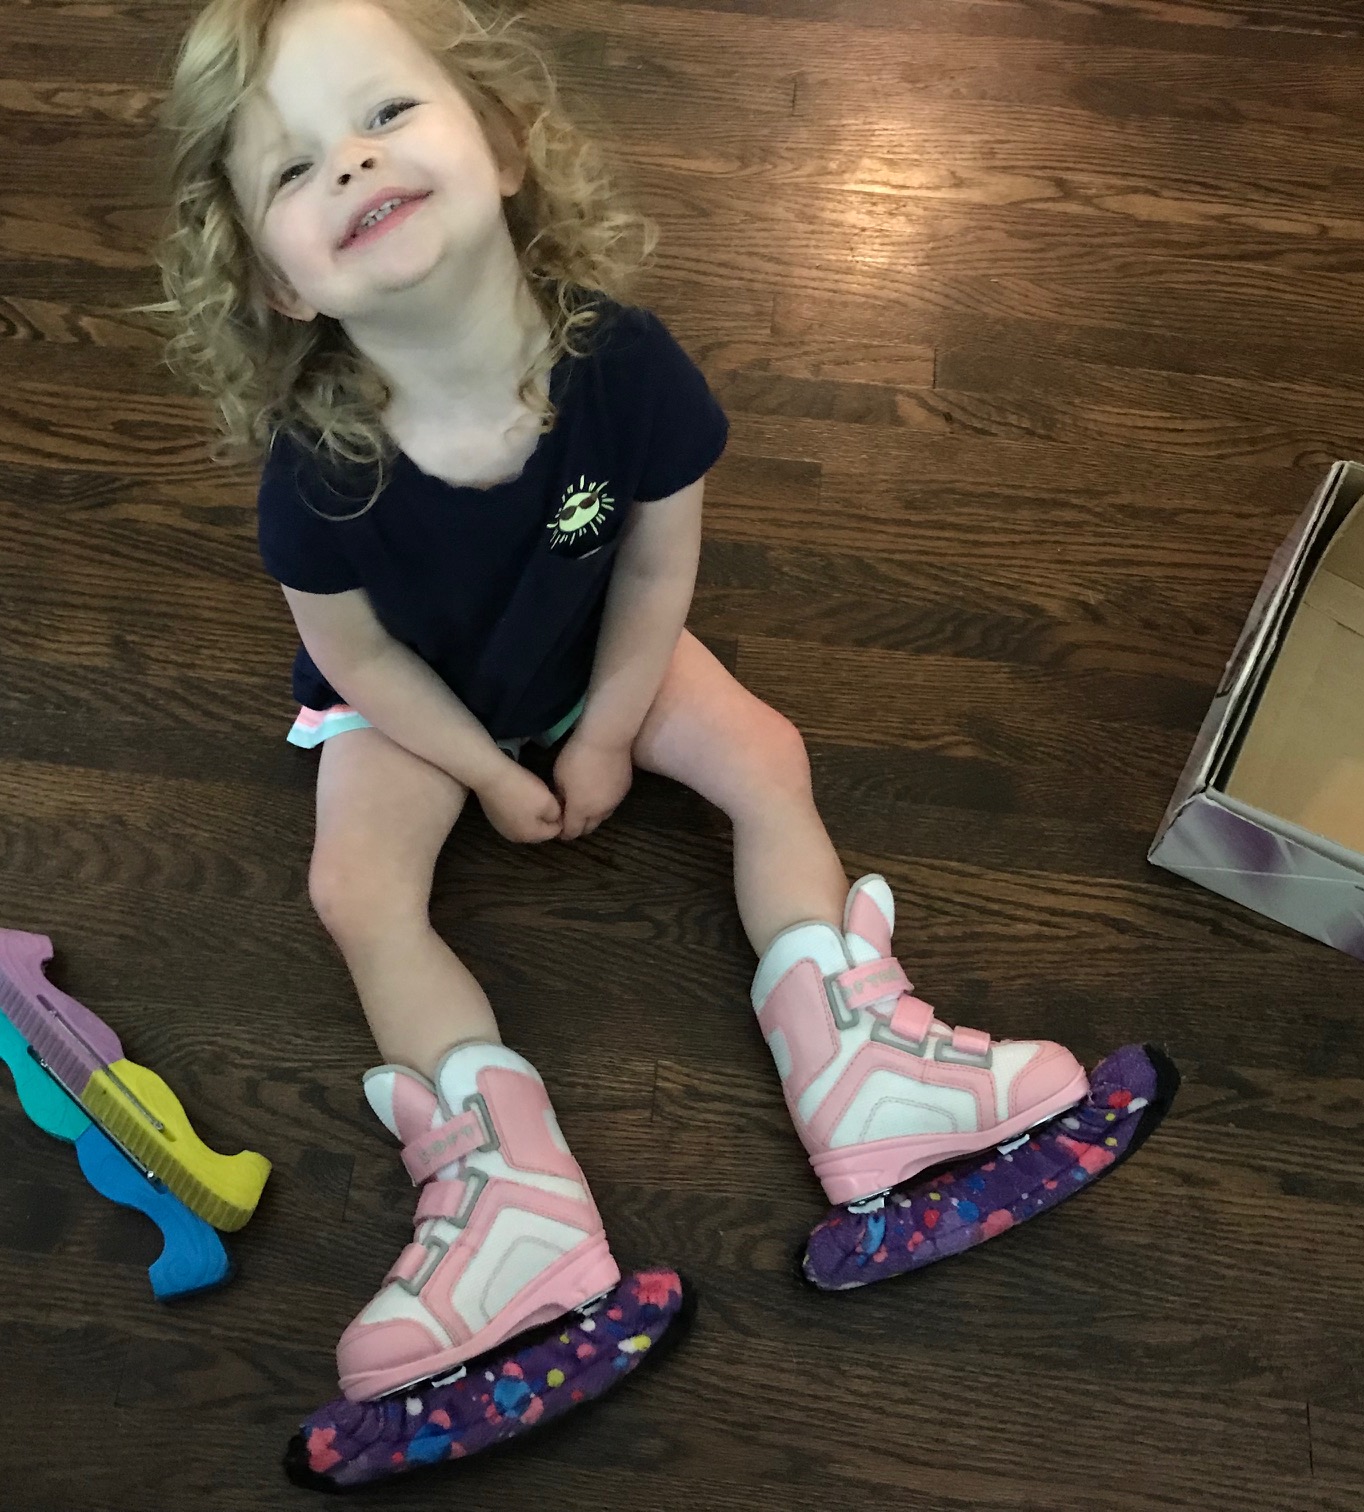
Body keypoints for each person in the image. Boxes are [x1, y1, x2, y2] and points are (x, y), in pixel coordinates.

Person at [136, 0, 1090, 1407]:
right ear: (280, 285)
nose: (348, 163)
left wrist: (601, 728)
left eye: (386, 114)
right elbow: (361, 662)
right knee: (356, 892)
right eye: (290, 168)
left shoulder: (624, 366)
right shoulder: (313, 473)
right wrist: (484, 767)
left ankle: (867, 1074)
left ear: (503, 145)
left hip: (588, 644)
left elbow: (655, 561)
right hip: (416, 703)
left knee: (767, 753)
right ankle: (505, 1203)